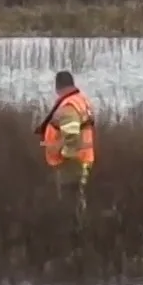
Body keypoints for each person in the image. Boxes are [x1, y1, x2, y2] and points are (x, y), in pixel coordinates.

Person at [37, 70, 95, 202]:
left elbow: (72, 136)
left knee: (69, 203)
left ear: (58, 87)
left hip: (71, 163)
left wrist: (63, 154)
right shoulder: (81, 100)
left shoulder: (69, 106)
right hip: (82, 159)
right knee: (79, 200)